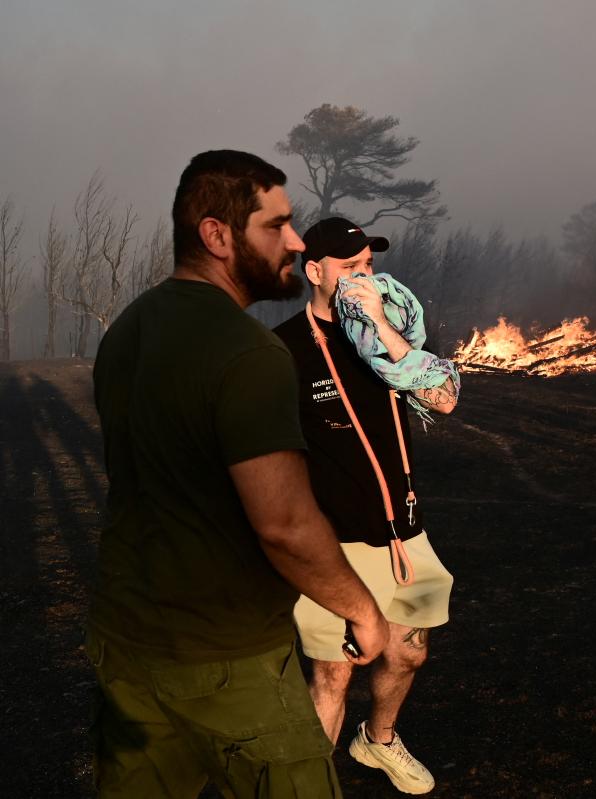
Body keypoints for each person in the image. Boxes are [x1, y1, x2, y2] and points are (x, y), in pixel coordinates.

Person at [88, 151, 390, 798]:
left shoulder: (128, 332)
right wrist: (360, 608)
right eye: (275, 225)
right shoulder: (250, 351)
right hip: (228, 655)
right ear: (217, 235)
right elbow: (283, 522)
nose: (296, 241)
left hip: (128, 641)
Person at [273, 217, 459, 795]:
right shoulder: (283, 352)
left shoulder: (389, 335)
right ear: (315, 272)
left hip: (405, 533)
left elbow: (444, 398)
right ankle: (309, 788)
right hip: (334, 546)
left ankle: (377, 741)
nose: (365, 277)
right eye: (350, 268)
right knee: (333, 672)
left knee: (408, 655)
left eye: (369, 267)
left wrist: (379, 323)